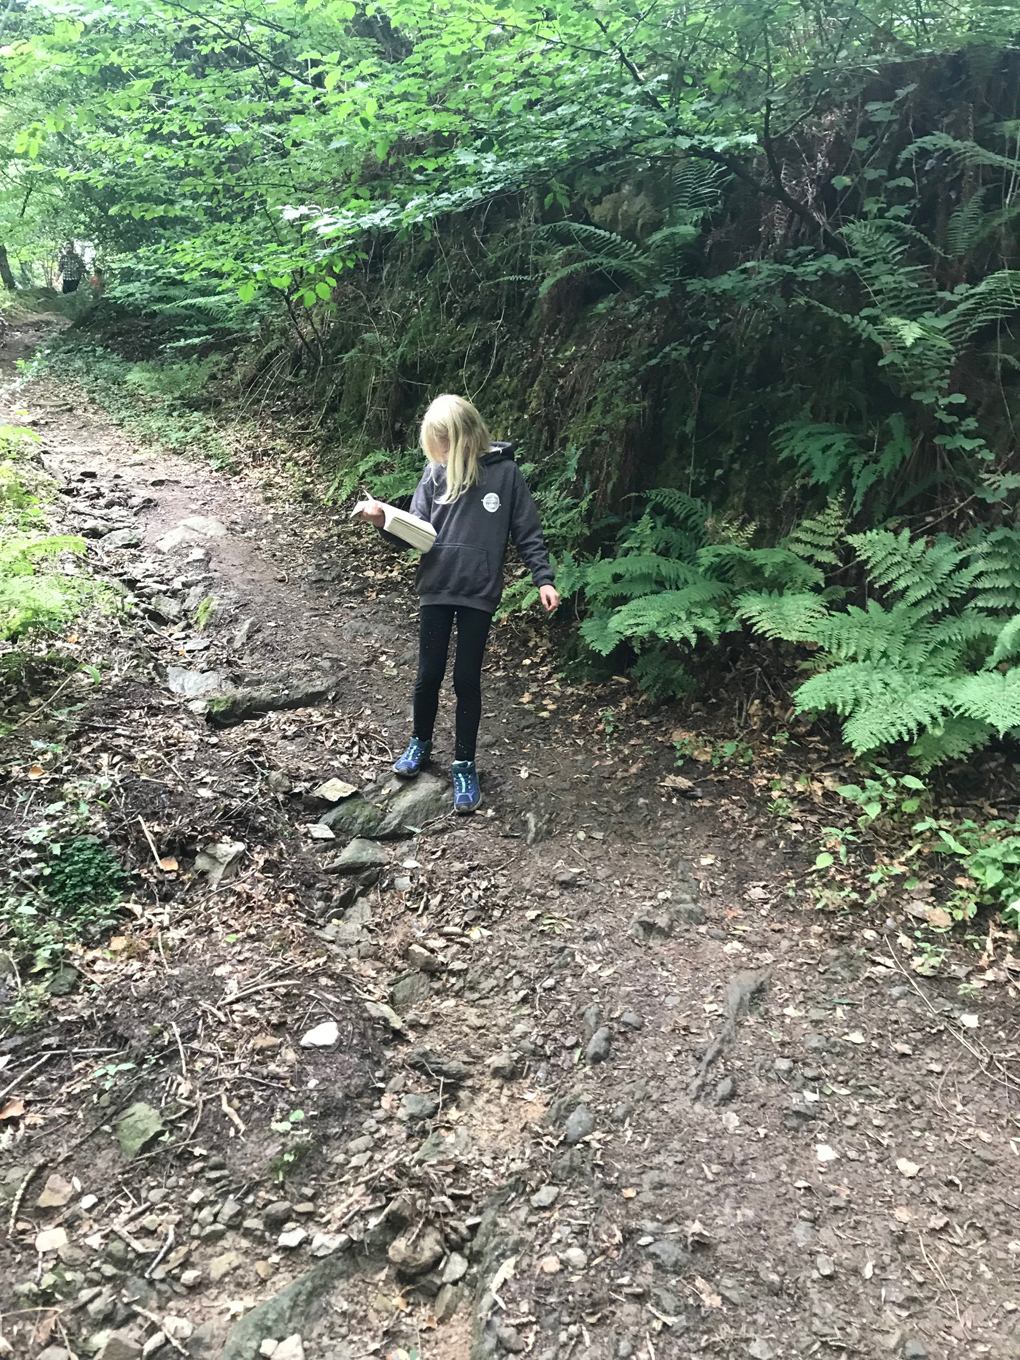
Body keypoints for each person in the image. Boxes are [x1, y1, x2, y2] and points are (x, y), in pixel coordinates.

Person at [356, 394, 559, 814]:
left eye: (445, 446)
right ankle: (419, 744)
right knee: (428, 674)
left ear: (465, 437)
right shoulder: (435, 474)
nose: (441, 456)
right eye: (436, 449)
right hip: (437, 585)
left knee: (466, 680)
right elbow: (413, 530)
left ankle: (465, 763)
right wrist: (382, 520)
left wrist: (543, 579)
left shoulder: (506, 476)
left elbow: (527, 531)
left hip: (478, 592)